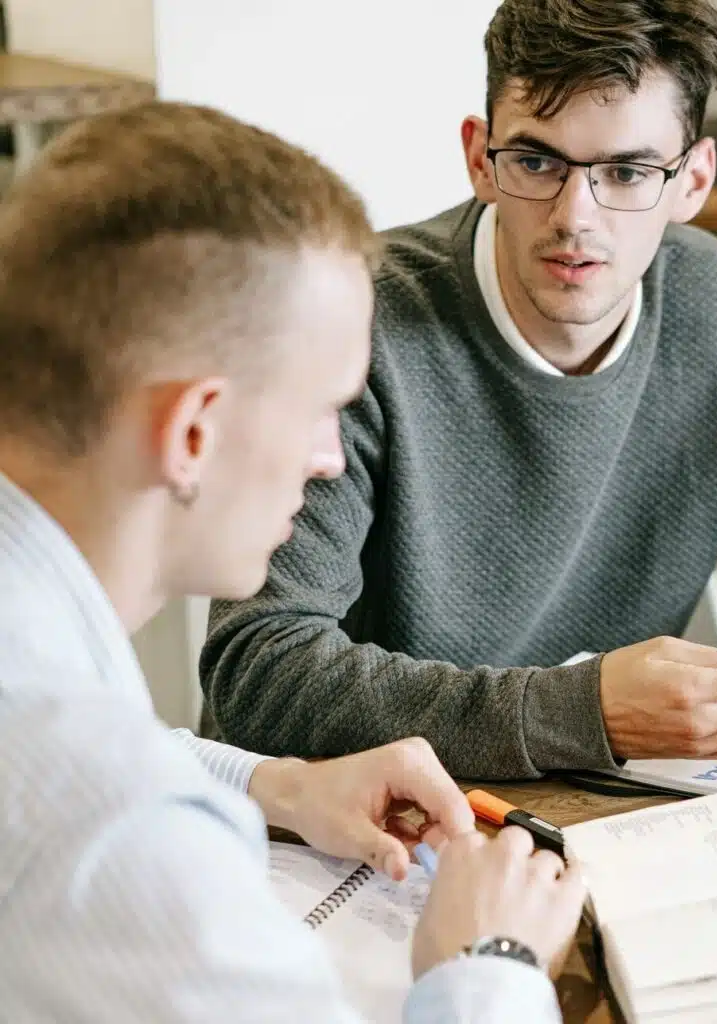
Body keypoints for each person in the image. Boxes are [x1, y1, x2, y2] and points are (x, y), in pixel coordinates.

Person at [202, 0, 717, 781]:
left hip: (596, 807)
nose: (576, 217)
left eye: (628, 171)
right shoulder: (353, 321)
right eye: (536, 162)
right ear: (479, 156)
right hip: (354, 839)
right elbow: (259, 670)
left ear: (693, 180)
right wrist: (583, 711)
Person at [0, 102, 585, 1021]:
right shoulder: (121, 837)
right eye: (322, 408)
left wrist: (277, 783)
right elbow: (89, 782)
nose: (329, 457)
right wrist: (490, 962)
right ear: (194, 431)